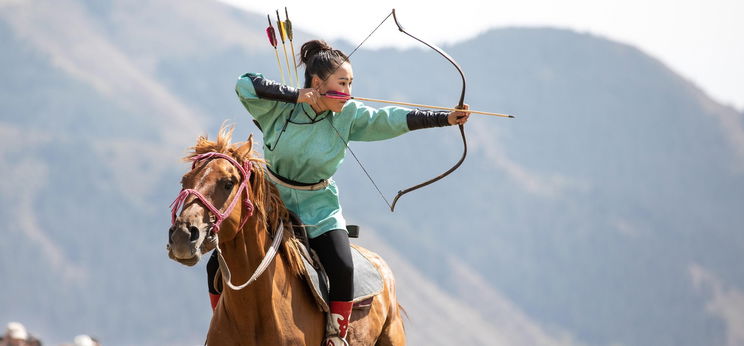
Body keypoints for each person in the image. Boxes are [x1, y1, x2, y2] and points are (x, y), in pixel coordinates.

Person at [209, 39, 470, 345]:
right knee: (218, 261)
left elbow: (391, 120)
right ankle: (224, 325)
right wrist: (296, 95)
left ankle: (336, 334)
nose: (348, 92)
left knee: (343, 266)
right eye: (342, 83)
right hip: (271, 202)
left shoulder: (349, 115)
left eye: (350, 83)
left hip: (319, 206)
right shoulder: (277, 109)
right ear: (317, 84)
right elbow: (244, 83)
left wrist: (445, 119)